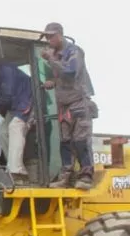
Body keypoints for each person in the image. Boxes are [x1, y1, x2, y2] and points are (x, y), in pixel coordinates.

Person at [41, 22, 96, 190]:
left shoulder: (74, 51)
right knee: (65, 141)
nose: (49, 40)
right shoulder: (54, 54)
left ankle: (86, 176)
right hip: (63, 105)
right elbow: (60, 77)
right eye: (47, 37)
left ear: (60, 35)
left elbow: (70, 72)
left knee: (80, 140)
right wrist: (53, 82)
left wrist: (50, 59)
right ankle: (66, 177)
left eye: (52, 36)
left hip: (78, 102)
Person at [0, 62, 33, 184]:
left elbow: (7, 95)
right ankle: (14, 166)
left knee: (15, 127)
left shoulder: (5, 69)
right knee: (2, 133)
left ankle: (16, 171)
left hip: (27, 101)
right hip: (14, 106)